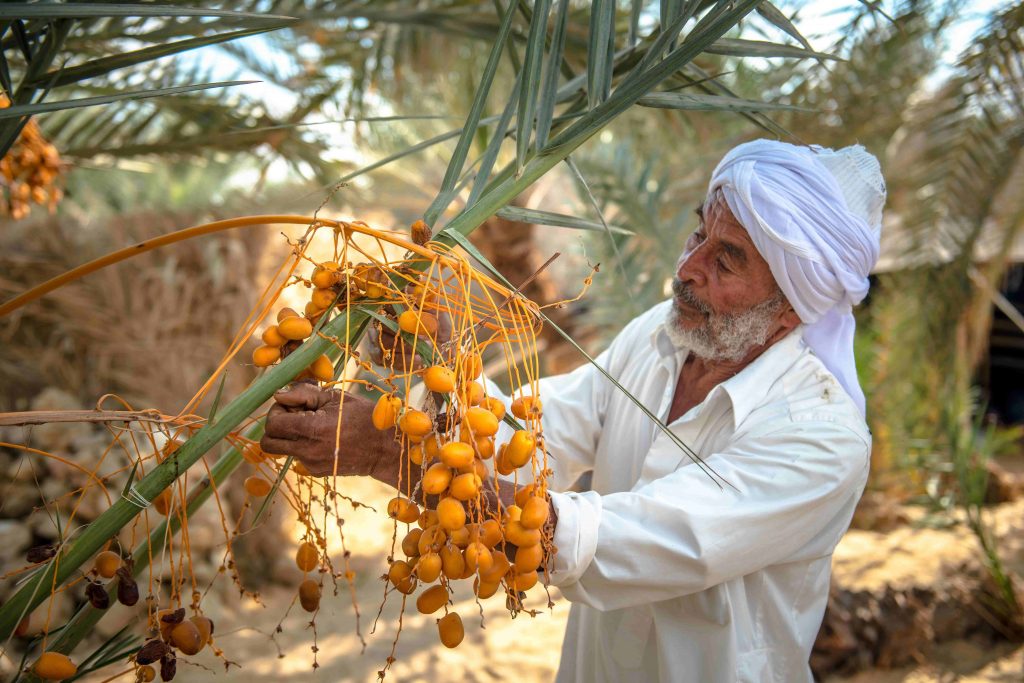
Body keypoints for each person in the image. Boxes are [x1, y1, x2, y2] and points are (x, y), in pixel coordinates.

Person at [260, 138, 886, 682]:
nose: (688, 268)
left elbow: (615, 539)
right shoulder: (658, 337)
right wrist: (436, 364)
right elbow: (529, 439)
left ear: (792, 307)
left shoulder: (821, 438)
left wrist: (383, 452)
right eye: (699, 232)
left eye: (727, 259)